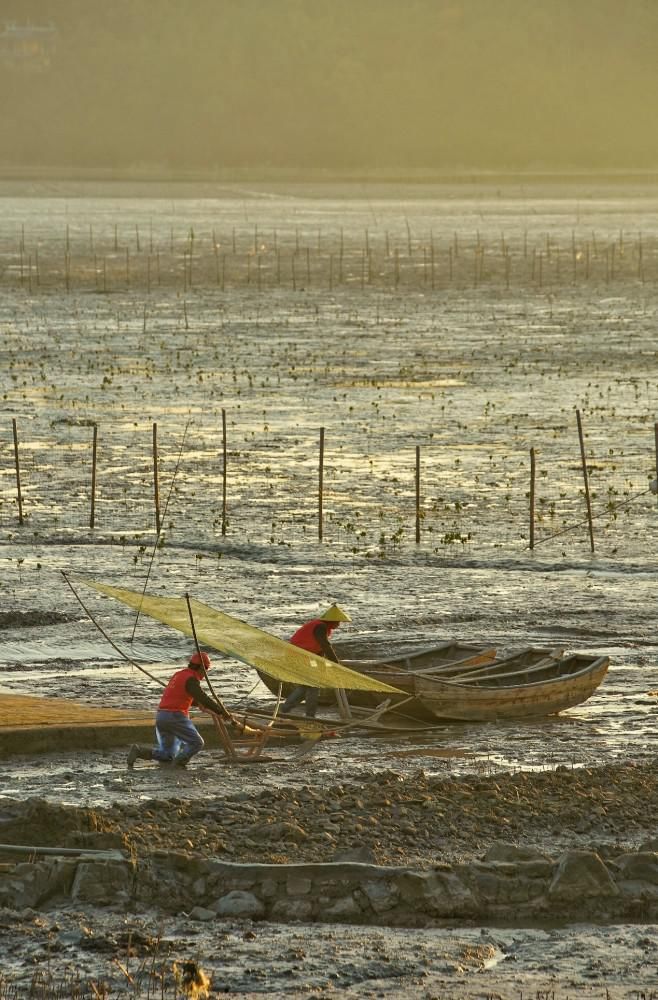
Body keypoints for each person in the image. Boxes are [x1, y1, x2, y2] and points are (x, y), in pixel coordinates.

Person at [127, 650, 230, 769]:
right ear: (202, 667)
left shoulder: (179, 675)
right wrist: (221, 712)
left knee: (167, 755)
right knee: (197, 743)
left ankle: (138, 751)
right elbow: (203, 697)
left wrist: (199, 704)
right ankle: (179, 764)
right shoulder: (191, 679)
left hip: (161, 716)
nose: (205, 674)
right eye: (206, 670)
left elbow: (182, 696)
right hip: (175, 716)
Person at [281, 604, 351, 718]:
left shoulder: (324, 628)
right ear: (331, 621)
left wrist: (320, 666)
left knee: (309, 685)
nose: (338, 624)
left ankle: (292, 710)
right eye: (337, 621)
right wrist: (336, 664)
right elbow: (325, 646)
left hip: (306, 657)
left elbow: (319, 650)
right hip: (297, 656)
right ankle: (303, 714)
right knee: (311, 685)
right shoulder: (320, 627)